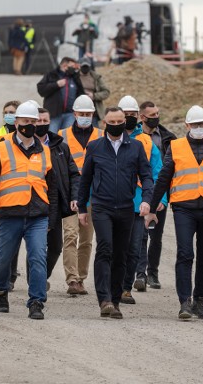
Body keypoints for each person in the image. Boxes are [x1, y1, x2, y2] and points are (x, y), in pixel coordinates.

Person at [146, 106, 203, 320]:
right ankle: (184, 302)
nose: (198, 128)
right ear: (187, 126)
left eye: (202, 124)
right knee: (185, 254)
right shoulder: (175, 147)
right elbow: (163, 179)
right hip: (184, 208)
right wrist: (152, 208)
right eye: (194, 125)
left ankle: (200, 302)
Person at [0, 102, 59, 319]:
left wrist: (52, 217)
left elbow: (52, 187)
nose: (30, 126)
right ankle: (1, 291)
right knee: (4, 258)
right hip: (11, 214)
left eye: (33, 122)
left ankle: (36, 302)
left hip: (38, 215)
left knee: (37, 258)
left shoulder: (45, 151)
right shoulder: (2, 148)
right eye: (25, 122)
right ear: (16, 123)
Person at [77, 107, 154, 319]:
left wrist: (147, 200)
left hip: (126, 207)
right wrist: (82, 208)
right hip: (102, 206)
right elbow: (85, 180)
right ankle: (104, 299)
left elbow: (147, 176)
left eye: (121, 120)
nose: (117, 124)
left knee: (122, 254)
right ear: (105, 123)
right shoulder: (94, 147)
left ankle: (116, 299)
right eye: (113, 120)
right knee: (105, 248)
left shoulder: (136, 147)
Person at [118, 95, 163, 306]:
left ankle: (126, 288)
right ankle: (112, 286)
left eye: (132, 115)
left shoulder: (145, 141)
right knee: (113, 248)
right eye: (125, 114)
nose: (128, 118)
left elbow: (158, 172)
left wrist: (159, 198)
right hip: (113, 203)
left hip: (137, 204)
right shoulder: (106, 140)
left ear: (138, 116)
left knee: (134, 247)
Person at [59, 94, 102, 295]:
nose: (85, 116)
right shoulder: (62, 135)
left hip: (93, 196)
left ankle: (81, 277)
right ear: (74, 113)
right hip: (70, 195)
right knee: (70, 235)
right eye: (81, 113)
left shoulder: (102, 136)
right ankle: (72, 280)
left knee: (86, 240)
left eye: (88, 113)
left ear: (93, 114)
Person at [34, 108, 80, 280]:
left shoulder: (61, 147)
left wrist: (74, 196)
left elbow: (74, 174)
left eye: (45, 121)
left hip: (56, 204)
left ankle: (40, 278)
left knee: (55, 247)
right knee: (36, 246)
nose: (42, 124)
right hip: (34, 202)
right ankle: (36, 283)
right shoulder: (27, 146)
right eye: (38, 121)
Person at [135, 100, 177, 291]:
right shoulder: (136, 137)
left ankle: (153, 273)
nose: (156, 118)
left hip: (161, 193)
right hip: (141, 192)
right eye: (152, 116)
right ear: (142, 117)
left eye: (157, 114)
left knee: (156, 236)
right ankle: (140, 274)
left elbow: (171, 169)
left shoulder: (168, 138)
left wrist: (164, 197)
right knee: (141, 235)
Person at [36, 57, 85, 133]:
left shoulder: (74, 77)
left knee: (67, 138)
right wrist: (56, 85)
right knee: (52, 136)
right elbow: (41, 90)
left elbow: (81, 93)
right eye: (72, 66)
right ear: (65, 65)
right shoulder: (51, 75)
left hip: (70, 114)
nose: (73, 69)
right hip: (54, 114)